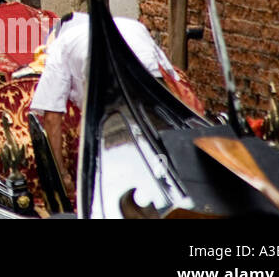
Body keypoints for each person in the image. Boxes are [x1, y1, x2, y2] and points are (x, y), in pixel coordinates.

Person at [30, 12, 182, 198]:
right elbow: (174, 85)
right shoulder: (133, 25)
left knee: (107, 145)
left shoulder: (61, 45)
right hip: (149, 75)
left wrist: (62, 177)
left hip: (104, 78)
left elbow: (52, 117)